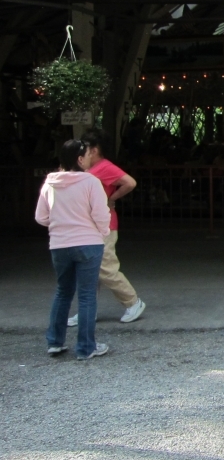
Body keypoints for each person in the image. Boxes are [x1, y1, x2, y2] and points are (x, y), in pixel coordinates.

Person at [36, 140, 111, 360]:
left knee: (63, 291)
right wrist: (102, 231)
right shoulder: (91, 182)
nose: (90, 158)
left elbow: (40, 217)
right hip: (88, 242)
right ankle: (86, 347)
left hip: (59, 245)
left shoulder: (50, 183)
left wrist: (60, 224)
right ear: (80, 159)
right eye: (88, 155)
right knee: (87, 296)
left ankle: (55, 342)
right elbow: (100, 213)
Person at [65, 131, 146, 327]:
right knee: (90, 269)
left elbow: (130, 182)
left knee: (105, 267)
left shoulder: (104, 166)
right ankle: (87, 311)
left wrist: (112, 199)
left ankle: (133, 301)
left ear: (94, 150)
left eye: (85, 149)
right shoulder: (95, 167)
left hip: (104, 225)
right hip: (93, 224)